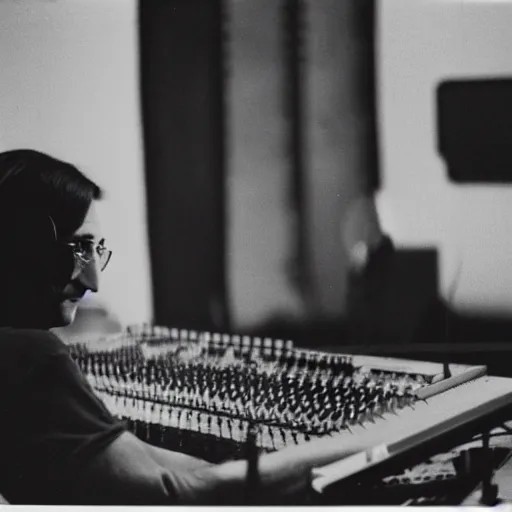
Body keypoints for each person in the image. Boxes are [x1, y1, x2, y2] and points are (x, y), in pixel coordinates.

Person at [0, 149, 360, 505]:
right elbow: (176, 494)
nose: (92, 281)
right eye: (79, 248)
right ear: (25, 243)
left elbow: (146, 460)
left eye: (96, 251)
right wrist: (365, 445)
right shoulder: (31, 353)